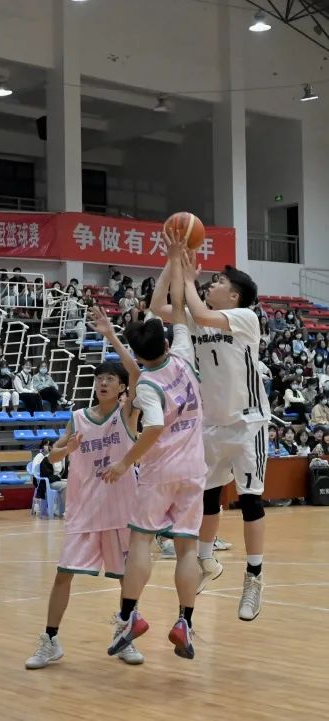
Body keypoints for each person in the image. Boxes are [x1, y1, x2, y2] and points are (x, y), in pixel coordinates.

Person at [151, 241, 270, 622]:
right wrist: (172, 265)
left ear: (234, 295)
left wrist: (187, 279)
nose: (211, 284)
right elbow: (157, 307)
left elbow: (199, 312)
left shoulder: (245, 317)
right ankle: (206, 561)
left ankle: (254, 577)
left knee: (250, 500)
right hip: (212, 423)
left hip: (247, 422)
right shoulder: (199, 319)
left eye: (218, 282)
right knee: (208, 497)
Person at [25, 308, 142, 670]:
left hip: (121, 509)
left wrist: (110, 336)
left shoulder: (128, 413)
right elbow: (53, 455)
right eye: (99, 378)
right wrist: (66, 450)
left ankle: (124, 637)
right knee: (63, 573)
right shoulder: (77, 417)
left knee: (127, 579)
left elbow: (138, 373)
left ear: (122, 387)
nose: (103, 383)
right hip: (85, 509)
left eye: (111, 378)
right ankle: (50, 640)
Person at [106, 237, 205, 661]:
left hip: (160, 471)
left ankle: (129, 616)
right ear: (163, 343)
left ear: (137, 354)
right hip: (194, 469)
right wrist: (176, 263)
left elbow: (155, 427)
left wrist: (124, 462)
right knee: (187, 548)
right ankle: (185, 621)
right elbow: (175, 305)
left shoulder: (146, 384)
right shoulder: (181, 354)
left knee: (142, 542)